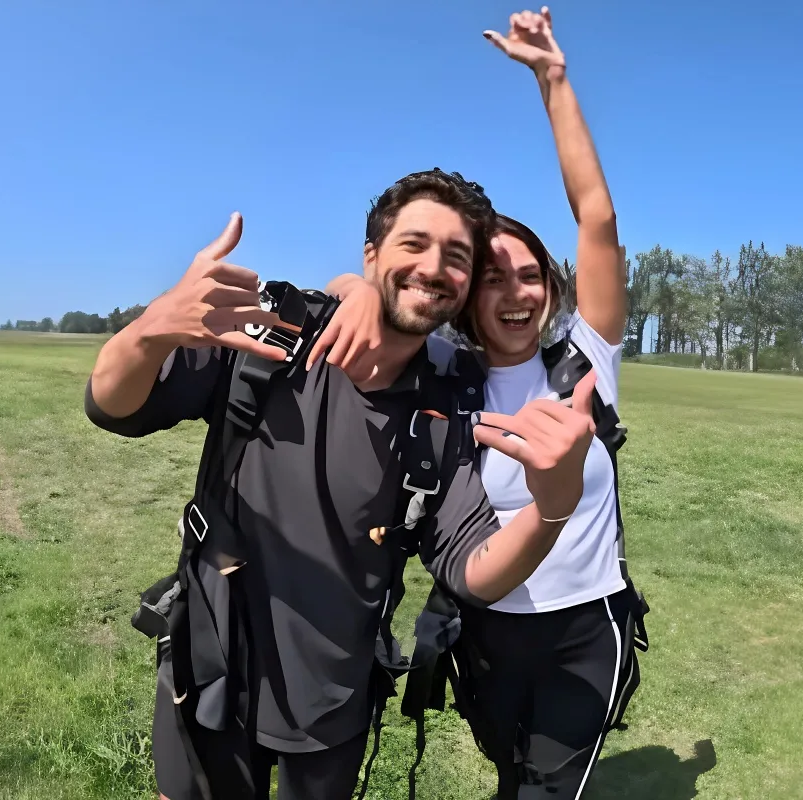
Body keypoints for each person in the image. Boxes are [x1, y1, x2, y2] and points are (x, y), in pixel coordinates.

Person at [84, 168, 600, 800]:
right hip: (211, 661)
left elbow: (472, 568)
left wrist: (553, 509)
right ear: (370, 255)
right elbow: (113, 408)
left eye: (456, 257)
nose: (434, 267)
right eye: (414, 244)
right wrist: (151, 328)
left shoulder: (441, 410)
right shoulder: (276, 333)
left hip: (333, 698)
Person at [313, 8, 639, 798]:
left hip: (587, 625)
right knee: (509, 773)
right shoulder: (442, 374)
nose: (515, 291)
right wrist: (354, 286)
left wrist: (552, 80)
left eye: (530, 275)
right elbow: (368, 294)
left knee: (547, 790)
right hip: (486, 629)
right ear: (466, 297)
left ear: (552, 289)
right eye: (492, 277)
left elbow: (596, 216)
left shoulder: (584, 360)